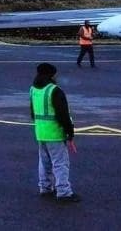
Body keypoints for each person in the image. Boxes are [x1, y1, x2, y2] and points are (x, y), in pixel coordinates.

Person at [31, 63, 79, 203]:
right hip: (54, 133)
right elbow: (62, 114)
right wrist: (70, 132)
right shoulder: (54, 90)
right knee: (60, 163)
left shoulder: (33, 89)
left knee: (44, 162)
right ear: (51, 75)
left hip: (40, 131)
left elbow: (33, 112)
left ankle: (45, 187)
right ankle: (64, 192)